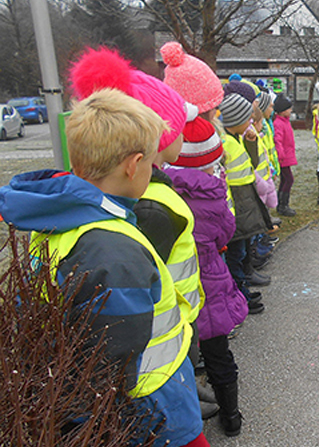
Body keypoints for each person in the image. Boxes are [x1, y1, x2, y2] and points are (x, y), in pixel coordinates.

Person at [0, 89, 208, 447]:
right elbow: (109, 367)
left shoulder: (65, 220)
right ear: (133, 164)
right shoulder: (114, 254)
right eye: (149, 164)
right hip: (151, 411)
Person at [67, 46, 216, 419]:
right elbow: (119, 336)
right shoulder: (135, 223)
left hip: (161, 357)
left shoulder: (106, 214)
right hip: (152, 377)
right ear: (136, 165)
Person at [164, 116, 248, 437]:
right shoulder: (213, 193)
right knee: (218, 352)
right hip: (209, 284)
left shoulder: (158, 191)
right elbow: (226, 232)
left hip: (174, 286)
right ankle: (231, 416)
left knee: (179, 354)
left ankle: (188, 413)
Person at [218, 92, 274, 296]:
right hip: (236, 198)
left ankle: (246, 278)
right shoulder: (225, 142)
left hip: (246, 194)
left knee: (245, 242)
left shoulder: (238, 138)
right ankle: (240, 288)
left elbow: (250, 163)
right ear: (236, 120)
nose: (251, 122)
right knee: (237, 249)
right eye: (248, 119)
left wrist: (250, 143)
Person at [272, 93, 297, 216]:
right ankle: (283, 205)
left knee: (285, 179)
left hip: (286, 155)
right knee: (288, 179)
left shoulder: (285, 121)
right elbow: (278, 140)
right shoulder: (278, 123)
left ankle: (281, 204)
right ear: (282, 110)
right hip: (283, 157)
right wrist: (281, 155)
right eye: (289, 108)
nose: (291, 110)